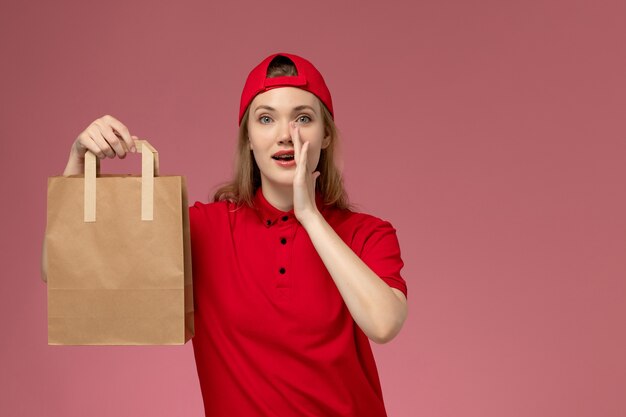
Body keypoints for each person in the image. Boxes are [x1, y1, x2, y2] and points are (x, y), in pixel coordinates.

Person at [42, 52, 408, 417]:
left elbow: (384, 323)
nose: (285, 135)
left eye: (303, 118)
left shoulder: (368, 234)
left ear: (325, 135)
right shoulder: (204, 231)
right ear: (248, 137)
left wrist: (309, 215)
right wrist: (76, 165)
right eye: (266, 119)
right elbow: (62, 268)